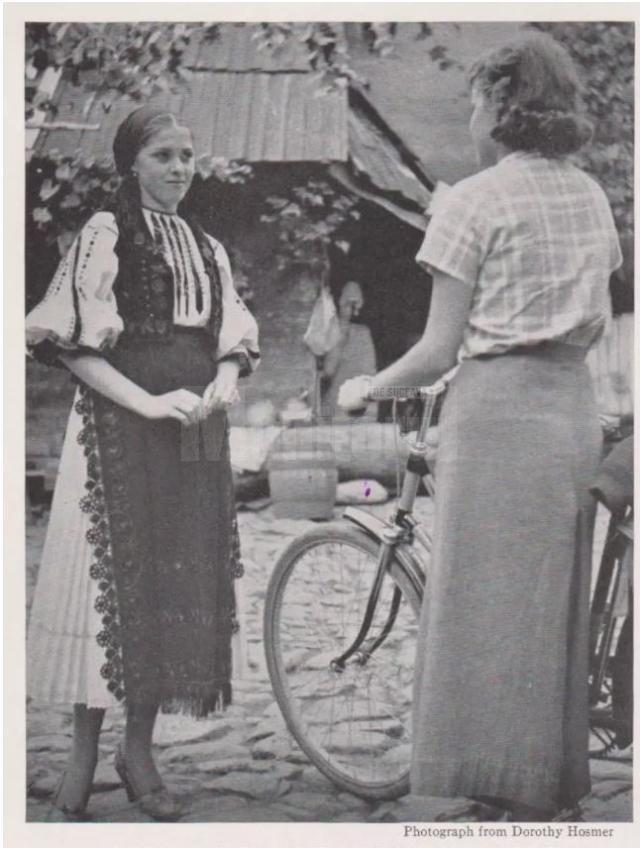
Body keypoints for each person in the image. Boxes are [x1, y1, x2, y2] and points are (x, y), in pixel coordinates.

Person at [338, 32, 622, 822]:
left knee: (477, 603)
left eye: (474, 100)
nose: (470, 116)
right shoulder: (590, 196)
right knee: (545, 604)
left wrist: (367, 385)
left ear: (500, 106)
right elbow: (590, 311)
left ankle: (484, 779)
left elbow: (436, 351)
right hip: (567, 410)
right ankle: (543, 782)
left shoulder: (471, 201)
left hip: (496, 415)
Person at [26, 106, 259, 821]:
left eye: (187, 154)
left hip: (192, 434)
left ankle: (139, 749)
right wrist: (147, 405)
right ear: (133, 162)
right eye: (164, 154)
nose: (180, 167)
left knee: (169, 581)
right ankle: (83, 752)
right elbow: (70, 344)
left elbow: (233, 336)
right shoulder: (106, 233)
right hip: (118, 429)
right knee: (108, 587)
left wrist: (222, 383)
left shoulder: (207, 246)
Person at [318, 281, 376, 422]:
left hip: (360, 409)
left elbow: (369, 374)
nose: (351, 306)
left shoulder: (363, 333)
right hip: (334, 408)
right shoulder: (330, 330)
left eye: (355, 301)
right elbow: (328, 370)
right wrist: (343, 321)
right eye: (347, 300)